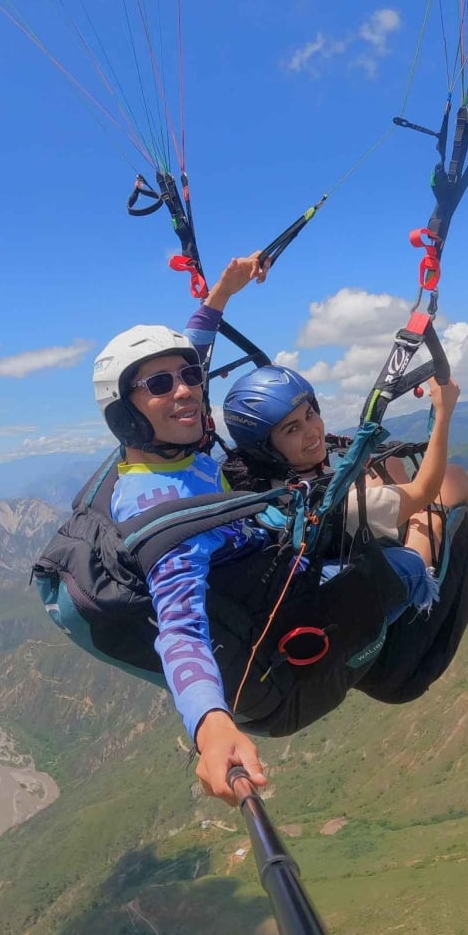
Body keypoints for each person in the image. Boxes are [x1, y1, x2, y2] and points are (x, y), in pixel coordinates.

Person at [92, 253, 275, 805]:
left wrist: (221, 291)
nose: (187, 390)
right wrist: (211, 724)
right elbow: (180, 630)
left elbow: (196, 349)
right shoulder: (164, 506)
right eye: (160, 383)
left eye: (191, 375)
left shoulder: (168, 452)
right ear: (126, 413)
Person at [221, 366, 468, 593]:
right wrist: (443, 413)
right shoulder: (343, 505)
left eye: (310, 414)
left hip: (334, 540)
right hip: (383, 574)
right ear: (265, 448)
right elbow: (425, 489)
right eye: (292, 429)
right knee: (451, 479)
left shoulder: (270, 488)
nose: (312, 431)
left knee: (388, 463)